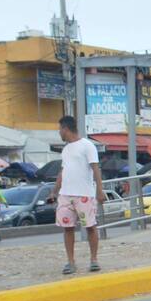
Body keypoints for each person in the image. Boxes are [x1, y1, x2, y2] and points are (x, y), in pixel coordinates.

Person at [51, 115, 104, 274]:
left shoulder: (87, 146)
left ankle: (94, 259)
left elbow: (95, 169)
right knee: (67, 228)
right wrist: (54, 190)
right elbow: (63, 171)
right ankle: (70, 261)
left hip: (84, 194)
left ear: (66, 129)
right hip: (65, 194)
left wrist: (100, 191)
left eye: (60, 129)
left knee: (90, 227)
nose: (59, 133)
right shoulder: (66, 149)